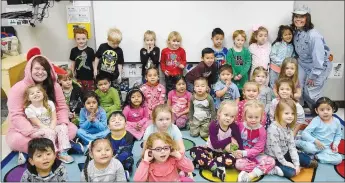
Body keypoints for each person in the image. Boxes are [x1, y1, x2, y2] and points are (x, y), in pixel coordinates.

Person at [6, 47, 77, 160]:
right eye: (37, 68)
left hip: (51, 123)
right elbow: (16, 116)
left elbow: (62, 108)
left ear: (49, 71)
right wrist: (32, 132)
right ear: (29, 69)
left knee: (72, 129)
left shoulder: (55, 86)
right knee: (16, 140)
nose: (40, 72)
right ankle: (54, 147)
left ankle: (43, 150)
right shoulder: (18, 88)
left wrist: (62, 122)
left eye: (44, 69)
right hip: (29, 129)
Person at [291, 4, 333, 110]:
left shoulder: (314, 36)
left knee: (311, 91)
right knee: (298, 88)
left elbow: (318, 58)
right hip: (303, 63)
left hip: (318, 66)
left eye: (302, 17)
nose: (298, 19)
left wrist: (314, 75)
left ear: (307, 18)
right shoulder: (297, 32)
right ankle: (300, 110)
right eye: (296, 16)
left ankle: (322, 113)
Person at [265, 98, 318, 179]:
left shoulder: (288, 127)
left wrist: (296, 164)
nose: (290, 116)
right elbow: (277, 152)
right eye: (286, 113)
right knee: (291, 173)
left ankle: (299, 162)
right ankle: (273, 168)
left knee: (306, 160)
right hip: (275, 157)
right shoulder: (273, 129)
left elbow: (292, 147)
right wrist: (287, 163)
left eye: (292, 113)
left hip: (285, 152)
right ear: (278, 113)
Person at [190, 101, 242, 181]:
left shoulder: (234, 126)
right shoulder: (214, 125)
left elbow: (239, 140)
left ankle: (200, 164)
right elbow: (215, 145)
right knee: (194, 150)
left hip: (224, 154)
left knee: (232, 160)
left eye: (232, 116)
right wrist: (229, 139)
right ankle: (214, 168)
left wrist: (242, 153)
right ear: (219, 113)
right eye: (226, 115)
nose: (228, 118)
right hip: (210, 151)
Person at [24, 84, 74, 163]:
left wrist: (53, 128)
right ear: (28, 98)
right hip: (39, 128)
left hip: (52, 125)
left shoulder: (50, 103)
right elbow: (38, 123)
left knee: (63, 127)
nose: (35, 94)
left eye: (38, 92)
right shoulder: (29, 109)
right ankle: (52, 152)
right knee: (48, 132)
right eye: (32, 93)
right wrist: (49, 130)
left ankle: (63, 152)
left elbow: (54, 118)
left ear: (43, 94)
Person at [235, 100, 281, 182]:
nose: (253, 120)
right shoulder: (240, 125)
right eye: (250, 117)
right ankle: (267, 170)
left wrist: (244, 153)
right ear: (245, 116)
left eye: (256, 117)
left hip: (257, 155)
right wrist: (235, 151)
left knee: (271, 161)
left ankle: (251, 174)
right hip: (242, 155)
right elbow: (233, 138)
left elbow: (258, 148)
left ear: (261, 117)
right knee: (238, 164)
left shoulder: (262, 130)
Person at [296, 97, 342, 165]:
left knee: (339, 159)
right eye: (322, 110)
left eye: (328, 109)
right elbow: (305, 133)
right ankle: (297, 142)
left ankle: (317, 157)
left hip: (325, 148)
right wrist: (315, 141)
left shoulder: (337, 122)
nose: (325, 112)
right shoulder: (316, 120)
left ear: (333, 109)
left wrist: (335, 144)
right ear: (317, 111)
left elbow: (338, 135)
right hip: (313, 144)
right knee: (310, 148)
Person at [106, 111, 135, 176]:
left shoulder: (129, 136)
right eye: (113, 121)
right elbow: (106, 150)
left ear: (125, 124)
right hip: (111, 157)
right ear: (108, 126)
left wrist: (115, 161)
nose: (117, 121)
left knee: (129, 162)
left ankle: (123, 173)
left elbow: (127, 151)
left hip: (124, 157)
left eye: (120, 120)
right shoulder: (107, 137)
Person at [69, 28, 95, 92]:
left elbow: (93, 62)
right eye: (78, 39)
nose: (81, 41)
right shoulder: (73, 50)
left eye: (83, 39)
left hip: (89, 78)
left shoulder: (90, 50)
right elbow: (73, 63)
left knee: (89, 94)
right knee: (80, 93)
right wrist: (72, 73)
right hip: (78, 78)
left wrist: (95, 72)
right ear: (75, 39)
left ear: (87, 39)